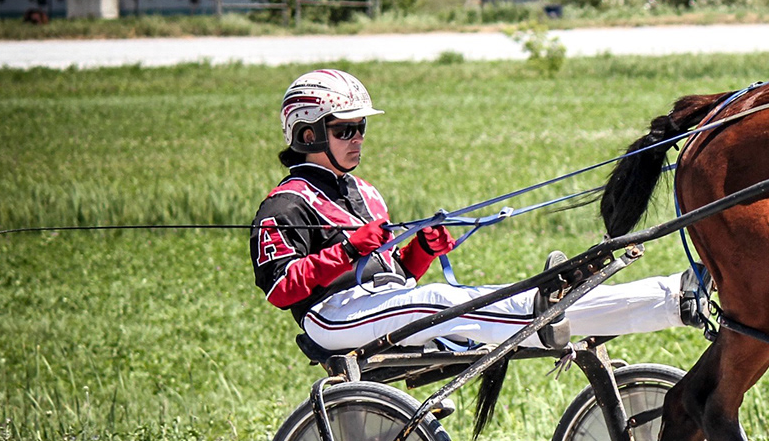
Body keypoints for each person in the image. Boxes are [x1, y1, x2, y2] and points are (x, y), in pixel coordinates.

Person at [250, 68, 700, 353]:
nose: (358, 138)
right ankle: (539, 314)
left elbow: (400, 279)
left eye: (361, 127)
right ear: (308, 135)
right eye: (346, 129)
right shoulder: (285, 204)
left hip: (377, 305)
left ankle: (668, 300)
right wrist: (348, 250)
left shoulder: (365, 193)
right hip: (332, 317)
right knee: (444, 302)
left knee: (477, 296)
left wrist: (421, 251)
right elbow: (279, 290)